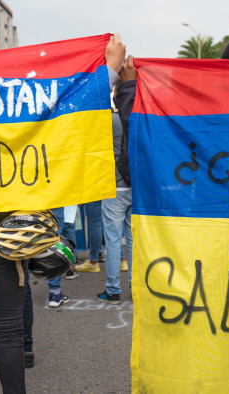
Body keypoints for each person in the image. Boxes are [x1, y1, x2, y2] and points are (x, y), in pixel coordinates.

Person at [0, 6, 124, 393]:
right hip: (4, 229)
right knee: (8, 333)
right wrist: (110, 70)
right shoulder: (12, 86)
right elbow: (57, 113)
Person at [95, 107, 132, 304]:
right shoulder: (138, 117)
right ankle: (136, 289)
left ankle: (113, 291)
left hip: (114, 188)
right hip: (136, 187)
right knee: (135, 242)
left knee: (113, 241)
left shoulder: (109, 120)